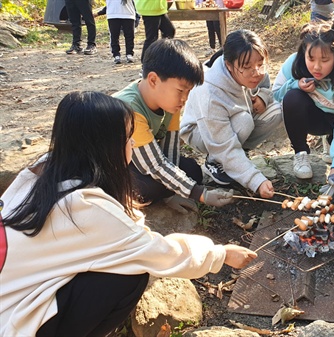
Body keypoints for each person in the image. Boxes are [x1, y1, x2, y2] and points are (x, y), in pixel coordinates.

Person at [0, 91, 257, 336]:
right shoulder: (84, 207)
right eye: (126, 138)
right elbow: (157, 253)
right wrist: (221, 254)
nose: (132, 143)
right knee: (129, 276)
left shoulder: (42, 172)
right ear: (104, 148)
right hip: (11, 320)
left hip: (12, 295)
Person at [113, 39, 233, 213]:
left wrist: (174, 189)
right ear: (153, 80)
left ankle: (165, 192)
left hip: (146, 158)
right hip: (117, 166)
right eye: (180, 91)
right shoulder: (130, 110)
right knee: (147, 188)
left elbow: (170, 149)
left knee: (192, 170)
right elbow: (154, 165)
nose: (184, 99)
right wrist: (199, 193)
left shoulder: (170, 103)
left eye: (188, 92)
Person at [180, 30, 283, 199]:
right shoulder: (210, 92)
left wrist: (264, 96)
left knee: (275, 111)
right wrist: (255, 180)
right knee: (244, 122)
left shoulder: (251, 69)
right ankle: (215, 162)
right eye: (247, 67)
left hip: (236, 115)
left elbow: (264, 83)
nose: (256, 72)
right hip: (200, 131)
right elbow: (223, 146)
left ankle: (239, 158)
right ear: (229, 65)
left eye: (260, 64)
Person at [272, 20, 334, 197]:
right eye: (311, 59)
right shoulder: (293, 64)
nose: (317, 67)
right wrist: (295, 84)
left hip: (333, 121)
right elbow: (276, 94)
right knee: (293, 98)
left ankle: (331, 143)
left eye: (324, 60)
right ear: (304, 53)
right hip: (310, 117)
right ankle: (301, 153)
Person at [95, 0, 136, 64]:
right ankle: (116, 55)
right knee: (114, 36)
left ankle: (129, 54)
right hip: (113, 14)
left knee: (130, 36)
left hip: (128, 13)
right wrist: (99, 13)